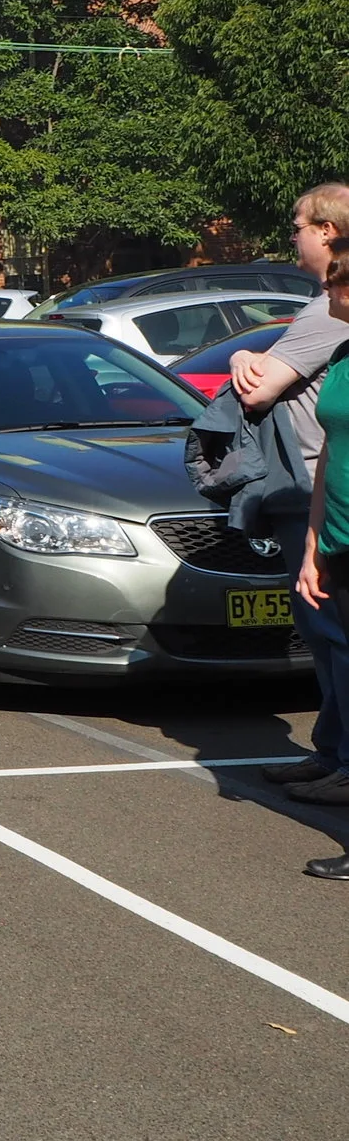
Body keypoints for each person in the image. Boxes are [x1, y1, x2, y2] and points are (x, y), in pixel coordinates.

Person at [232, 185, 349, 812]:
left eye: (299, 226)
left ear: (327, 231)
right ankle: (331, 752)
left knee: (331, 635)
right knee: (324, 636)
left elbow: (258, 390)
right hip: (316, 496)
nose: (293, 237)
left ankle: (343, 761)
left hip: (311, 491)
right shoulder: (327, 311)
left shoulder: (327, 312)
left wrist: (247, 358)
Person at [294, 242, 349, 879]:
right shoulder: (342, 356)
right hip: (341, 542)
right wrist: (314, 547)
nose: (326, 293)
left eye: (336, 284)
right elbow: (330, 457)